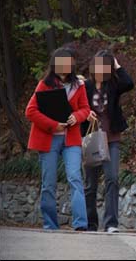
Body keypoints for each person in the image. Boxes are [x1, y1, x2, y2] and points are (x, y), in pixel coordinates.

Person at [25, 47, 90, 231]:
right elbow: (30, 111)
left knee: (75, 177)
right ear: (54, 64)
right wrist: (53, 125)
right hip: (48, 139)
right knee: (49, 183)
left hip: (72, 139)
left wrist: (76, 117)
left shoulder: (79, 85)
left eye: (68, 62)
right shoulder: (44, 84)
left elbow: (85, 108)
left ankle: (80, 224)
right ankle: (50, 225)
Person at [81, 50, 134, 233]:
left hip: (111, 138)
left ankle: (111, 223)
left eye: (107, 66)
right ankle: (91, 223)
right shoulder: (85, 86)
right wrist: (85, 113)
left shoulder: (113, 85)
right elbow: (76, 106)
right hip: (91, 139)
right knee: (90, 183)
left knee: (112, 178)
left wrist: (117, 65)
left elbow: (129, 83)